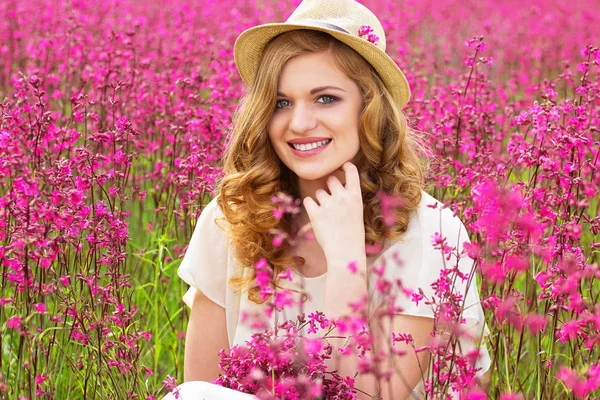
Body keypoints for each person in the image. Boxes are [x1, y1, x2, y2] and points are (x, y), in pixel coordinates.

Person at [166, 0, 491, 399]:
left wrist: (345, 262)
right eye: (281, 102)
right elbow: (200, 387)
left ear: (369, 108)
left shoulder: (430, 230)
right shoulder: (230, 218)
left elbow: (371, 396)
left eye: (326, 98)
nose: (300, 123)